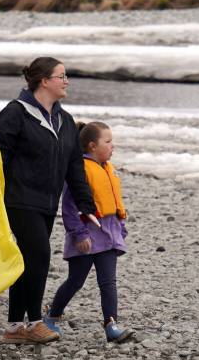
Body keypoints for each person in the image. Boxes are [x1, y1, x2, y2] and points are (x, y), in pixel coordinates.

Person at [0, 57, 98, 345]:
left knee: (27, 259)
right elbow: (0, 155)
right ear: (44, 81)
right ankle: (35, 322)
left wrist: (86, 206)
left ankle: (14, 328)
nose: (66, 81)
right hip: (18, 198)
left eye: (66, 76)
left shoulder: (66, 120)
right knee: (39, 255)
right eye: (61, 76)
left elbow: (75, 168)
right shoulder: (15, 113)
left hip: (46, 202)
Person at [43, 121, 135, 343]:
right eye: (108, 141)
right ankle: (51, 316)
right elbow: (69, 208)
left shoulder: (108, 169)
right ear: (92, 146)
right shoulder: (80, 171)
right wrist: (80, 234)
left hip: (108, 237)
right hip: (87, 238)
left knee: (108, 281)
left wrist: (120, 229)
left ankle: (111, 325)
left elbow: (113, 205)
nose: (113, 146)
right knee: (76, 281)